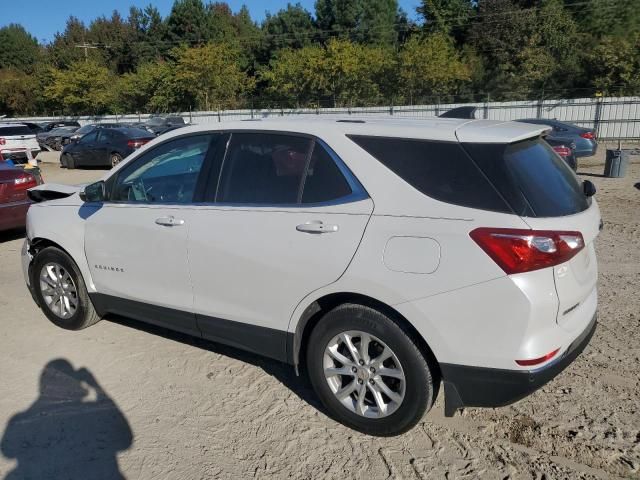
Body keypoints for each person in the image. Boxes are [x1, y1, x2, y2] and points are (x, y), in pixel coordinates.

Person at [1, 359, 133, 479]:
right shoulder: (91, 412)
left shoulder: (20, 420)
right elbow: (125, 440)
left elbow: (8, 451)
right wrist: (96, 386)